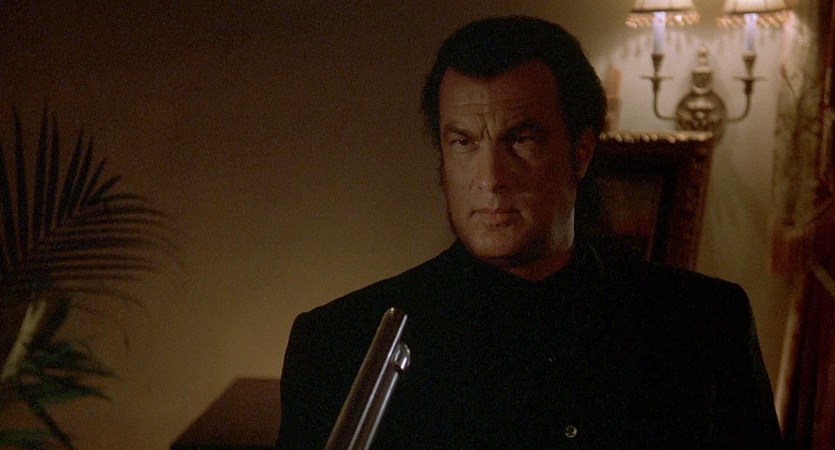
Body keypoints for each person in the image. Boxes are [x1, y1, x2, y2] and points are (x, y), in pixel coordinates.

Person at [277, 15, 782, 448]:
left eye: (521, 140)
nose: (490, 178)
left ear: (580, 152)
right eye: (463, 142)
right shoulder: (339, 343)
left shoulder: (704, 325)